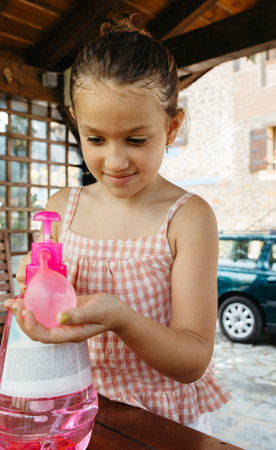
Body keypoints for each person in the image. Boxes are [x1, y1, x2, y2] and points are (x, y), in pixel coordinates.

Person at [5, 14, 230, 434]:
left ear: (172, 125)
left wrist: (122, 319)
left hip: (160, 423)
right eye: (96, 139)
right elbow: (51, 317)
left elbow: (193, 360)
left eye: (136, 139)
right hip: (71, 408)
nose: (115, 161)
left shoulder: (187, 218)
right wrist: (36, 292)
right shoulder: (62, 208)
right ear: (76, 123)